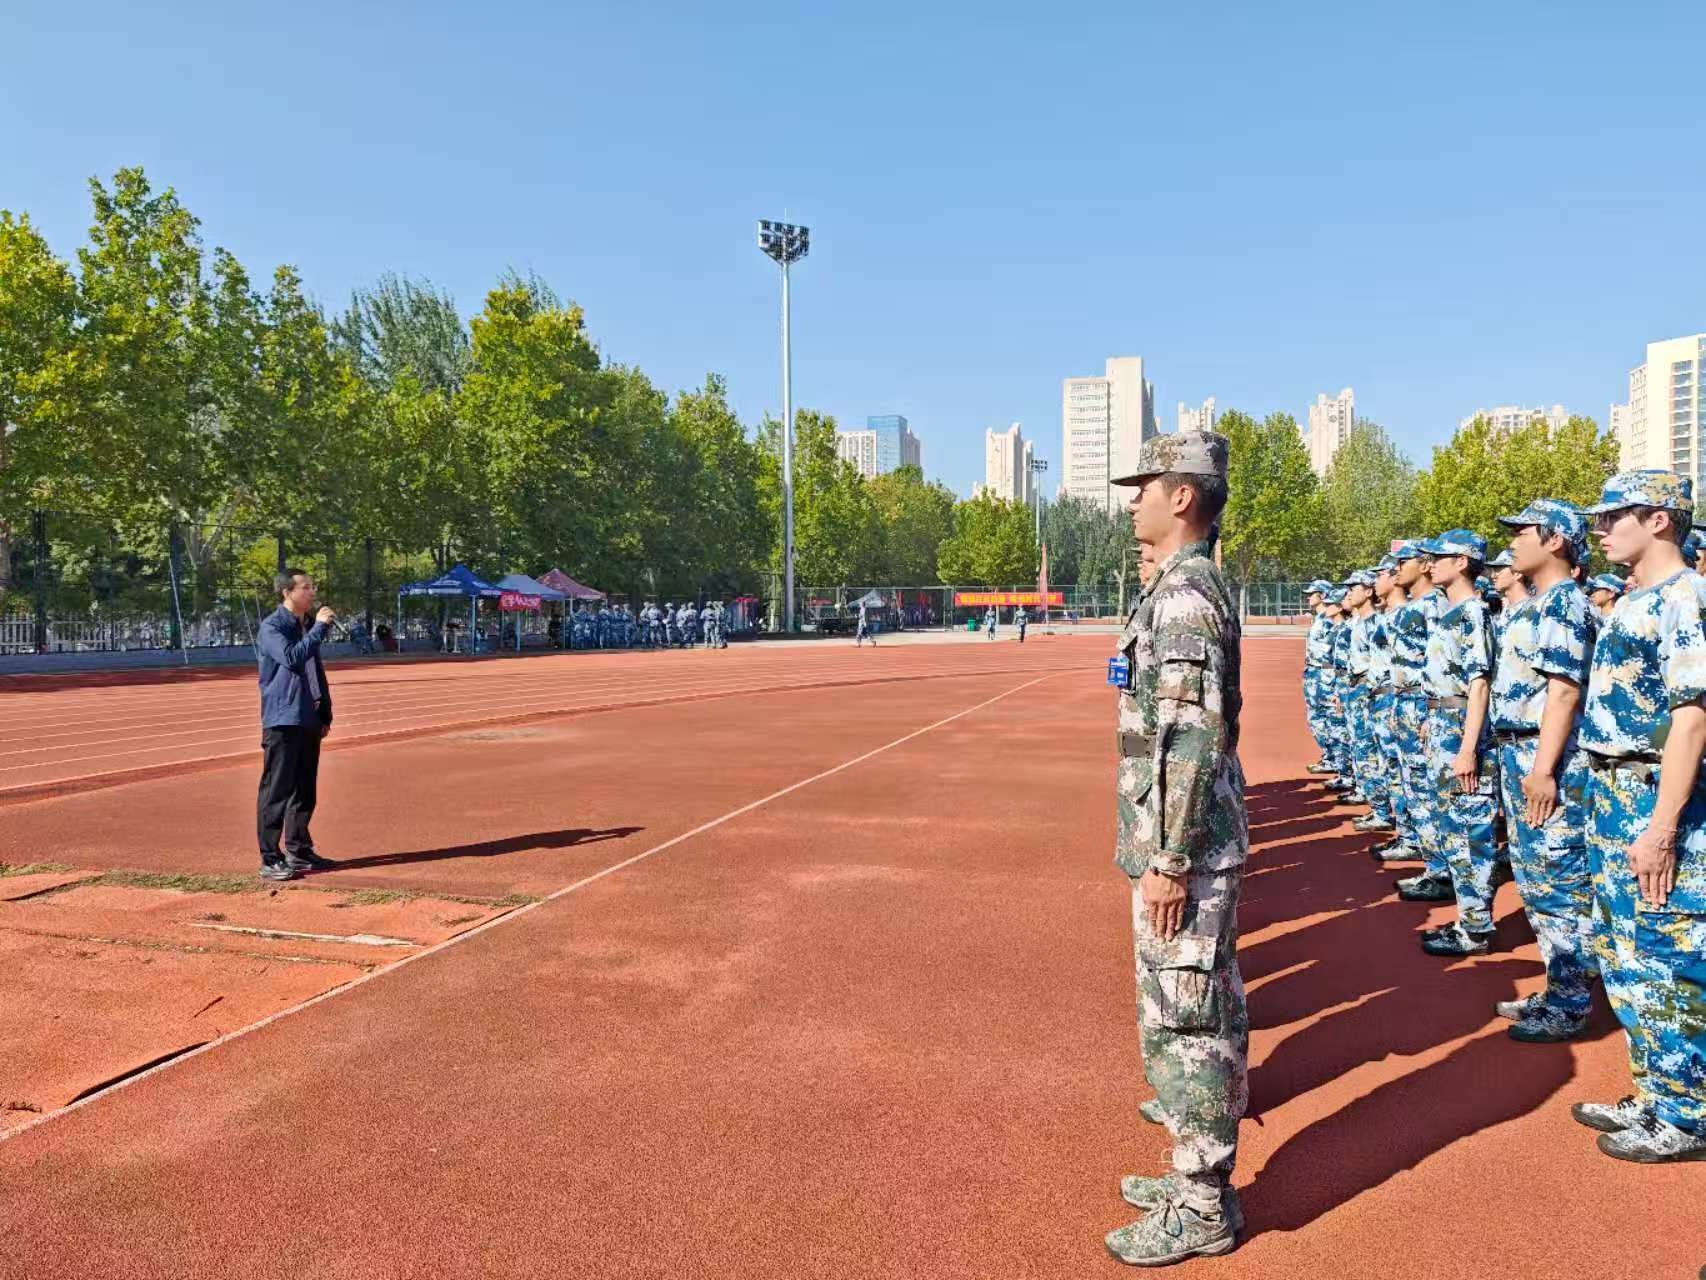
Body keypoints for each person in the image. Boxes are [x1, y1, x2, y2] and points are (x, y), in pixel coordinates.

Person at [1105, 430, 1247, 1266]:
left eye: (1145, 487)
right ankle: (1193, 1175)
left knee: (1190, 1017)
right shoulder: (1181, 586)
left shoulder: (1187, 596)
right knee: (1188, 1009)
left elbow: (1191, 736)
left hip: (1184, 850)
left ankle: (1203, 1203)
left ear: (1182, 495)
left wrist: (1170, 860)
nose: (1134, 502)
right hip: (1178, 838)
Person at [1573, 471, 1706, 1163]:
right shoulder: (1636, 599)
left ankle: (1687, 1115)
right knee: (1623, 956)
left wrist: (1661, 828)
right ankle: (1657, 1094)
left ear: (1659, 520)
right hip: (1613, 795)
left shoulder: (1686, 598)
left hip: (1655, 800)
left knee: (1666, 958)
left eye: (1613, 515)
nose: (1600, 529)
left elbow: (1692, 721)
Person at [1490, 499, 1599, 1041]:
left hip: (1544, 756)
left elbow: (1563, 693)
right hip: (1522, 752)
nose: (1513, 540)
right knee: (1537, 884)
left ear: (1555, 540)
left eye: (1523, 531)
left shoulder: (1563, 604)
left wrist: (1543, 770)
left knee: (1558, 887)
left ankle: (1570, 1004)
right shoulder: (1541, 603)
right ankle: (1561, 989)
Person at [1413, 530, 1500, 955]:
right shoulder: (1451, 612)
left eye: (1440, 557)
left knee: (1469, 831)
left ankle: (1476, 929)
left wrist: (1467, 748)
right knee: (1451, 828)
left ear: (1463, 562)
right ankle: (1468, 919)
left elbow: (1479, 685)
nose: (1430, 565)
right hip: (1443, 723)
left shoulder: (1473, 613)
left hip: (1461, 729)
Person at [256, 569, 337, 881]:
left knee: (304, 790)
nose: (312, 592)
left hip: (307, 717)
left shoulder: (306, 626)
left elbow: (314, 671)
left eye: (312, 586)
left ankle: (299, 850)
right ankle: (270, 857)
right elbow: (291, 658)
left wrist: (324, 712)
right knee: (276, 791)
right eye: (305, 587)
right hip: (283, 718)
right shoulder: (272, 627)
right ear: (287, 592)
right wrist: (319, 628)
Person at [1388, 541, 1450, 893]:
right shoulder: (1415, 606)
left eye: (1404, 561)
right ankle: (1432, 864)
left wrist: (1428, 711)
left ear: (1425, 565)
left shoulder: (1435, 607)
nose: (1397, 567)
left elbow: (1440, 664)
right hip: (1404, 704)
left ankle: (1441, 871)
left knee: (1427, 789)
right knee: (1414, 786)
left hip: (1421, 705)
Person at [1301, 580, 1337, 773]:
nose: (1308, 597)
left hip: (1323, 673)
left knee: (1325, 716)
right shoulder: (1320, 618)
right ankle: (1329, 756)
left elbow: (1333, 651)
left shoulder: (1328, 620)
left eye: (1312, 593)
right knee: (1316, 716)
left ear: (1322, 595)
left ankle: (1334, 758)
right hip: (1314, 672)